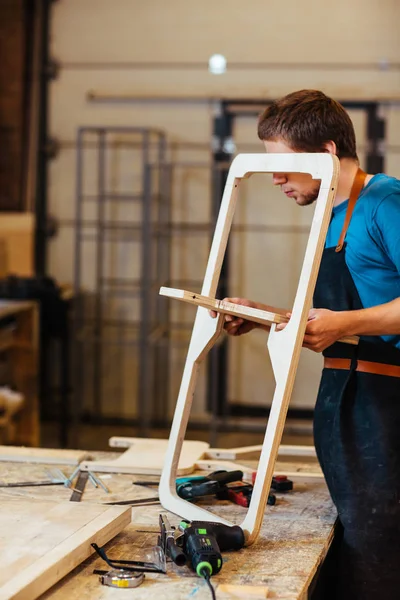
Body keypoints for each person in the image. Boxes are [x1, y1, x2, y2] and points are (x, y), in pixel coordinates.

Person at [211, 90, 400, 600]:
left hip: (388, 411)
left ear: (328, 151)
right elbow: (342, 325)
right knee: (356, 546)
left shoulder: (386, 203)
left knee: (380, 556)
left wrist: (343, 323)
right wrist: (267, 318)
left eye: (282, 164)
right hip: (350, 404)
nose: (274, 178)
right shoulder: (334, 216)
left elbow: (353, 322)